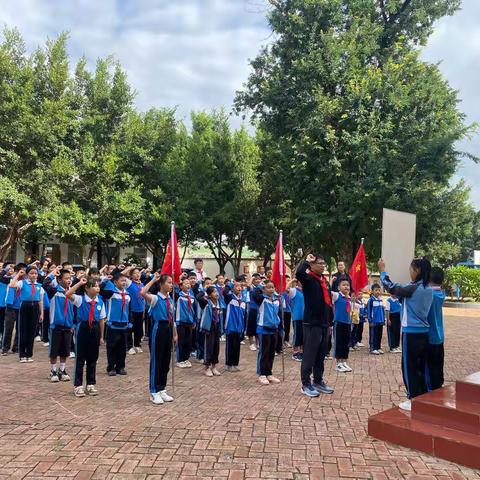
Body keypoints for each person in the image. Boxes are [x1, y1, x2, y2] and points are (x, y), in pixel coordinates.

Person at [378, 257, 433, 411]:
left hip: (411, 333)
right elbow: (408, 301)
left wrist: (382, 271)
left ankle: (412, 398)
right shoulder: (428, 288)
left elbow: (391, 287)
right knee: (420, 366)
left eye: (411, 269)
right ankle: (421, 396)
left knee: (409, 367)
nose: (409, 272)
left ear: (417, 271)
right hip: (424, 333)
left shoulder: (413, 288)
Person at [296, 253, 334, 397]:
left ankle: (318, 381)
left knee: (321, 354)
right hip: (312, 323)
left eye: (324, 263)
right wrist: (307, 261)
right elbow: (299, 273)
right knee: (310, 354)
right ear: (312, 265)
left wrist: (330, 320)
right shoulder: (308, 278)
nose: (323, 266)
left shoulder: (323, 280)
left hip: (324, 322)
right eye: (320, 263)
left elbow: (328, 301)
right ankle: (305, 384)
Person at [66, 277, 106, 397]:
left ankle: (90, 383)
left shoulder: (100, 302)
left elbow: (101, 320)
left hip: (95, 329)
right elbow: (68, 294)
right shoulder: (80, 299)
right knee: (80, 358)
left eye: (98, 286)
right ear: (87, 288)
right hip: (82, 328)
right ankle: (78, 385)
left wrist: (101, 337)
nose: (97, 288)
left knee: (93, 358)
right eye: (94, 286)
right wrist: (79, 283)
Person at [141, 272, 177, 405]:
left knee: (166, 360)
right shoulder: (156, 298)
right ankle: (154, 391)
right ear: (161, 284)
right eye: (168, 282)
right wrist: (153, 280)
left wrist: (174, 333)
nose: (171, 285)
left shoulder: (171, 300)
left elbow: (172, 319)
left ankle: (162, 388)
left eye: (171, 282)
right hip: (158, 329)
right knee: (157, 360)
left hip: (168, 329)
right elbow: (142, 293)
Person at [43, 268, 75, 382]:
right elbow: (45, 283)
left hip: (68, 326)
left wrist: (73, 324)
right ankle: (53, 370)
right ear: (59, 280)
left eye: (70, 278)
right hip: (56, 325)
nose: (69, 280)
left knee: (65, 350)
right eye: (66, 278)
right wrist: (53, 274)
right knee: (54, 350)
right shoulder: (54, 291)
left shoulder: (72, 293)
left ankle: (62, 370)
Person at [9, 266, 44, 362]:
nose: (34, 275)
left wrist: (42, 313)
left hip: (35, 307)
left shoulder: (39, 286)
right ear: (27, 274)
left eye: (35, 273)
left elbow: (41, 301)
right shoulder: (22, 283)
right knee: (23, 330)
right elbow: (11, 285)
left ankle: (29, 354)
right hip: (24, 306)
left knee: (32, 331)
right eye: (31, 273)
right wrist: (18, 275)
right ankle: (22, 355)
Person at [101, 272, 131, 376]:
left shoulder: (127, 295)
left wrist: (130, 321)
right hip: (112, 324)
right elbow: (102, 290)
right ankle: (111, 367)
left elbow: (129, 309)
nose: (124, 282)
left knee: (122, 348)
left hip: (124, 325)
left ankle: (120, 367)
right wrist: (108, 280)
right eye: (121, 280)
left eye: (125, 280)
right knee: (112, 347)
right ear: (115, 282)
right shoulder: (111, 293)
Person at [252, 279, 281, 386]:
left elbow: (279, 314)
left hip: (274, 329)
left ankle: (269, 373)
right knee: (264, 352)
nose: (271, 289)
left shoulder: (277, 300)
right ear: (264, 289)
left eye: (273, 287)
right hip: (263, 329)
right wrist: (260, 285)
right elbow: (254, 293)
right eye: (268, 287)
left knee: (271, 353)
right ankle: (261, 374)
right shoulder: (261, 299)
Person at [426, 267, 445, 391]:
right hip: (440, 337)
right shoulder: (441, 293)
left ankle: (430, 392)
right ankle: (438, 388)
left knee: (429, 367)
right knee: (438, 366)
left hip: (429, 337)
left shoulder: (428, 294)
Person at [198, 286, 223, 377]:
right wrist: (205, 290)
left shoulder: (219, 303)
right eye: (213, 292)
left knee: (216, 347)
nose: (216, 293)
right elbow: (198, 297)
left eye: (217, 291)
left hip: (217, 327)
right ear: (209, 295)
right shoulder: (206, 303)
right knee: (208, 347)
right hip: (208, 327)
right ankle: (207, 367)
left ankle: (214, 366)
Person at [224, 278, 246, 372]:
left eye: (240, 286)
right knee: (230, 346)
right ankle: (229, 364)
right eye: (236, 286)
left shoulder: (243, 300)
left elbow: (245, 315)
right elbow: (225, 291)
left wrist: (243, 327)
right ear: (232, 289)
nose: (239, 288)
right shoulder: (229, 298)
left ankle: (235, 364)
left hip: (239, 327)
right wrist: (230, 284)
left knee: (237, 346)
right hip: (230, 326)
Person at [332, 279, 353, 373]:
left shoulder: (349, 298)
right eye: (343, 285)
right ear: (339, 287)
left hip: (347, 323)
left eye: (347, 285)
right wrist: (332, 282)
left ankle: (344, 361)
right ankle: (338, 363)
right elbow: (329, 292)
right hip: (339, 322)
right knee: (339, 342)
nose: (346, 287)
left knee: (346, 343)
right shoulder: (337, 296)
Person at [175, 278, 196, 368]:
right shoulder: (178, 296)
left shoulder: (192, 297)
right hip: (181, 321)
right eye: (185, 283)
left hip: (190, 322)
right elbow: (174, 288)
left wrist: (194, 321)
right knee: (181, 341)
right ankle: (180, 360)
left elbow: (194, 310)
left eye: (189, 284)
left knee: (188, 341)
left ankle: (186, 358)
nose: (188, 285)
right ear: (181, 286)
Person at [125, 267, 145, 354]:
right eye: (135, 273)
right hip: (131, 310)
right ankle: (129, 346)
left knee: (138, 328)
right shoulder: (129, 283)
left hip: (140, 310)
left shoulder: (142, 284)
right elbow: (121, 275)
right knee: (130, 328)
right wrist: (130, 268)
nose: (137, 274)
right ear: (131, 275)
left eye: (139, 273)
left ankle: (137, 344)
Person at [1, 264, 19, 355]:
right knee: (8, 328)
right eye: (17, 271)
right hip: (10, 306)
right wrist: (6, 269)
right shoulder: (8, 279)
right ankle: (5, 348)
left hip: (20, 306)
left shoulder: (25, 281)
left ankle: (16, 348)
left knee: (19, 329)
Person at [288, 279, 304, 362]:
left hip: (305, 317)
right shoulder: (294, 290)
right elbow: (286, 289)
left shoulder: (306, 290)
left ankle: (301, 352)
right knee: (297, 334)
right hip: (297, 316)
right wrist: (292, 281)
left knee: (303, 335)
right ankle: (295, 353)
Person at [366, 284, 385, 355]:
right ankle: (372, 348)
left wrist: (383, 319)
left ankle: (378, 347)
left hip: (380, 321)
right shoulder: (371, 300)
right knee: (373, 335)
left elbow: (382, 310)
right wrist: (370, 319)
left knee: (379, 335)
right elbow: (369, 310)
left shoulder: (380, 300)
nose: (378, 292)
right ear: (372, 291)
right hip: (374, 321)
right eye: (376, 290)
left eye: (379, 290)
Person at [246, 274, 262, 351]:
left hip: (259, 310)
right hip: (252, 309)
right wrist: (252, 278)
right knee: (251, 327)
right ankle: (251, 344)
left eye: (259, 279)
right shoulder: (251, 287)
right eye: (256, 279)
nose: (257, 281)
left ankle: (257, 343)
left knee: (258, 326)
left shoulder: (261, 287)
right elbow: (248, 286)